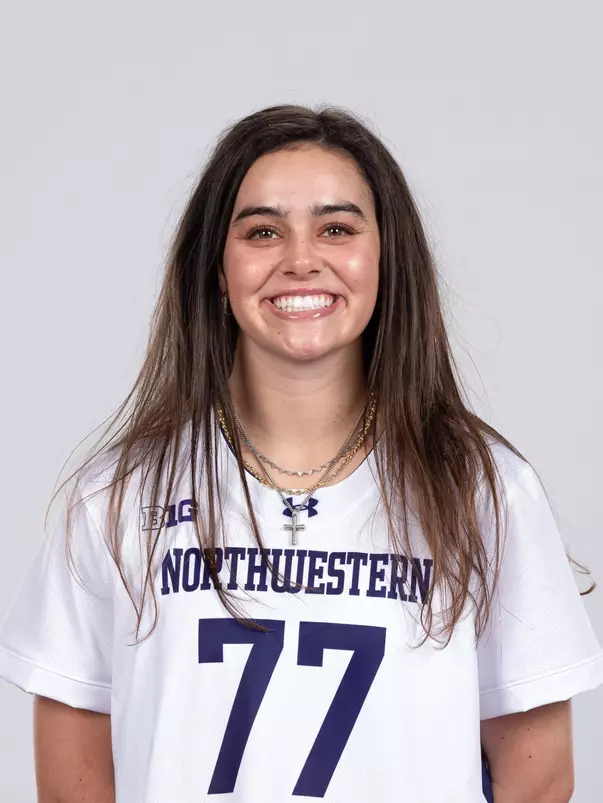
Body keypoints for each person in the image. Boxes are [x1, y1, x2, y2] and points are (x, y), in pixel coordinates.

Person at [0, 104, 601, 803]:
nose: (300, 259)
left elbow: (539, 779)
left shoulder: (481, 489)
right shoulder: (117, 496)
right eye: (262, 231)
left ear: (386, 259)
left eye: (336, 228)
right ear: (217, 267)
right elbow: (72, 784)